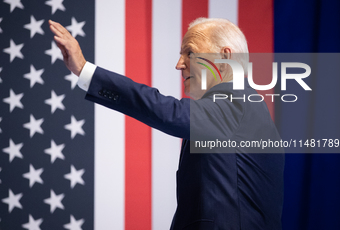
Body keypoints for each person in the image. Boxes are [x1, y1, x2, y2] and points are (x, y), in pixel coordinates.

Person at [49, 18, 284, 230]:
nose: (179, 64)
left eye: (189, 53)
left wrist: (84, 70)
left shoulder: (237, 102)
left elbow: (166, 111)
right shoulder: (240, 111)